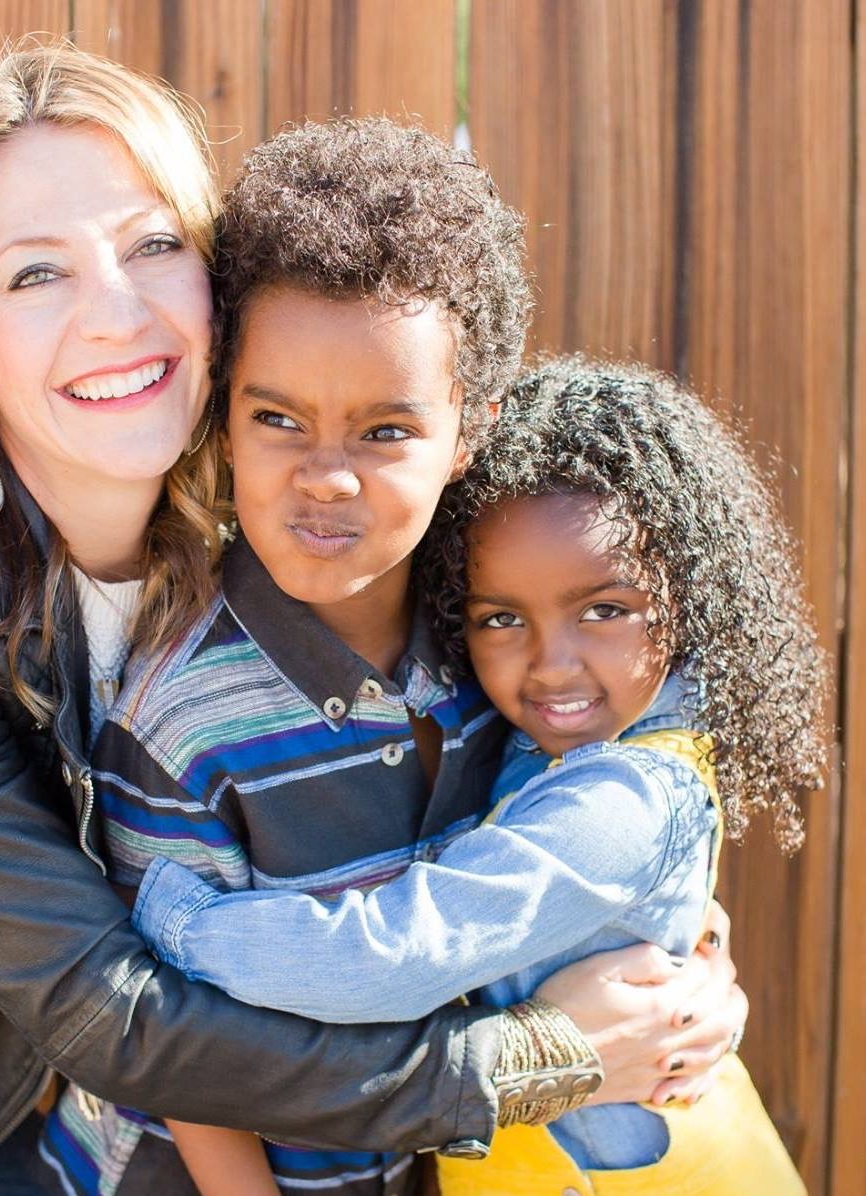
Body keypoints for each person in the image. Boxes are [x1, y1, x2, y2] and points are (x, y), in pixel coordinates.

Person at [0, 44, 744, 1196]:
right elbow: (109, 1006)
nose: (115, 312)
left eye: (150, 245)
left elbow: (572, 709)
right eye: (36, 274)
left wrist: (667, 948)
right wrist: (531, 1058)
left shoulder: (291, 498)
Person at [41, 122, 750, 1196]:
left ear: (468, 432)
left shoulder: (497, 644)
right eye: (278, 417)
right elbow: (177, 1050)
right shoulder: (180, 714)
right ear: (223, 419)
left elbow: (589, 849)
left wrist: (697, 955)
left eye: (384, 431)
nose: (327, 476)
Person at [132, 359, 829, 1194]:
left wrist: (181, 927)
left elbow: (402, 953)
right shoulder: (533, 722)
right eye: (502, 618)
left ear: (689, 595)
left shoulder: (626, 799)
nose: (552, 663)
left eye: (605, 610)